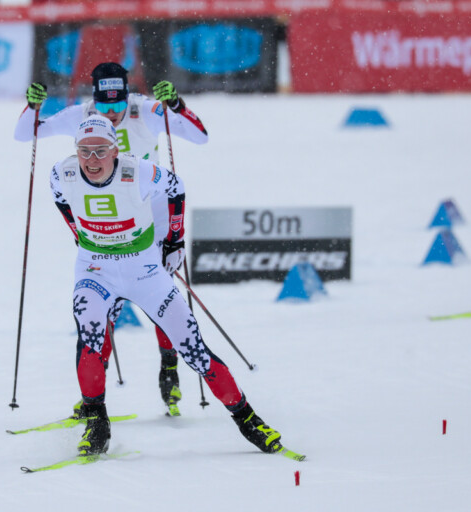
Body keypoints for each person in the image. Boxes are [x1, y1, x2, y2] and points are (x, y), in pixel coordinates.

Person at [51, 114, 287, 456]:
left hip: (144, 271)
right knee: (90, 337)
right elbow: (60, 199)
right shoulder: (63, 172)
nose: (92, 160)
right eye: (85, 151)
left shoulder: (137, 172)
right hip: (95, 269)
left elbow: (176, 187)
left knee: (194, 349)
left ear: (116, 150)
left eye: (101, 151)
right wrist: (79, 235)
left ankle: (248, 420)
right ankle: (97, 424)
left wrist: (175, 241)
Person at [15, 62, 208, 417]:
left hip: (155, 221)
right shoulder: (82, 116)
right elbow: (27, 135)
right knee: (102, 311)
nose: (113, 114)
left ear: (126, 95)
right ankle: (93, 396)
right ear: (94, 99)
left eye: (118, 105)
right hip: (110, 224)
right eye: (105, 107)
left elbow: (200, 137)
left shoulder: (146, 109)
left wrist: (177, 105)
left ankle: (169, 368)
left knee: (164, 301)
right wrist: (31, 107)